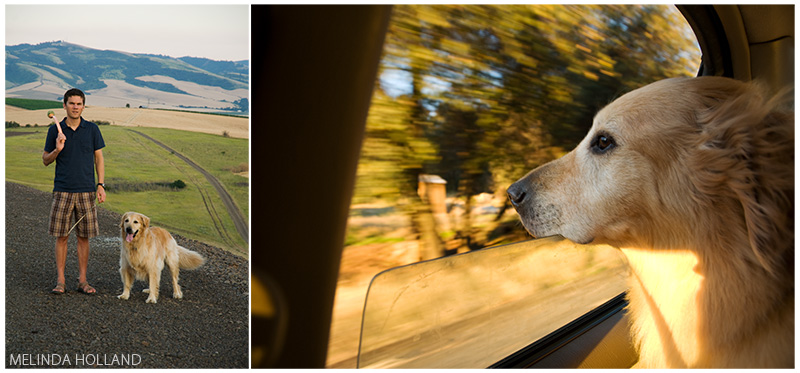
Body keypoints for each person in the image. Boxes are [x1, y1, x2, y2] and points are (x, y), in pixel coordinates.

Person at [42, 88, 106, 295]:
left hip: (87, 191)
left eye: (79, 104)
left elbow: (99, 158)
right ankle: (60, 281)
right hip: (63, 190)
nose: (75, 107)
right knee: (61, 237)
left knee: (84, 237)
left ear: (83, 106)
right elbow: (45, 160)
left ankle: (83, 281)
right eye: (71, 103)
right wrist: (57, 149)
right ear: (64, 105)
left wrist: (100, 185)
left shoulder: (92, 129)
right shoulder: (55, 130)